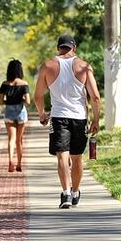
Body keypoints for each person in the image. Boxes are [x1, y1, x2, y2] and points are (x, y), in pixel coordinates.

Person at [34, 34, 101, 209]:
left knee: (62, 156)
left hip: (58, 117)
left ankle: (66, 193)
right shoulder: (84, 66)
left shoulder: (47, 66)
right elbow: (95, 97)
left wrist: (42, 114)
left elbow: (38, 96)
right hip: (79, 118)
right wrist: (96, 120)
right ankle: (76, 191)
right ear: (74, 47)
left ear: (58, 48)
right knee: (77, 158)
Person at [0, 59, 29, 172]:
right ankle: (19, 164)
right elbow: (28, 101)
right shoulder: (24, 84)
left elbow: (1, 102)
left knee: (11, 139)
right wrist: (20, 99)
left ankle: (11, 161)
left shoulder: (5, 84)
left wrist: (9, 102)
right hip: (21, 112)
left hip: (9, 112)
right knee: (19, 140)